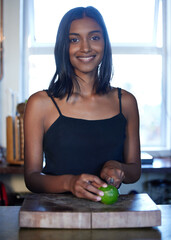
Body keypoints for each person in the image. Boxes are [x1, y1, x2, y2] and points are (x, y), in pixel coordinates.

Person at [24, 6, 141, 202]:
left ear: (105, 43)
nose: (86, 47)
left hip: (110, 218)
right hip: (56, 220)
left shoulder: (126, 102)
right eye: (74, 39)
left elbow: (135, 170)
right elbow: (32, 178)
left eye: (94, 37)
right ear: (63, 46)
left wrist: (118, 167)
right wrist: (69, 183)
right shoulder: (40, 103)